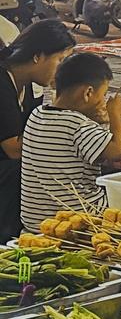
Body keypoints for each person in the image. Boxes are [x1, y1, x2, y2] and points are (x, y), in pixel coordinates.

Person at [21, 53, 121, 232]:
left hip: (35, 222)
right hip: (78, 221)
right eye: (103, 94)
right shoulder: (77, 125)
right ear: (88, 93)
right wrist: (115, 114)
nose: (103, 101)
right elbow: (117, 152)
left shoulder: (37, 114)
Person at [0, 20, 76, 238]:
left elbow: (36, 130)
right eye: (60, 60)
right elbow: (14, 148)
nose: (61, 70)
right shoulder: (2, 82)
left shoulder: (32, 86)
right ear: (38, 56)